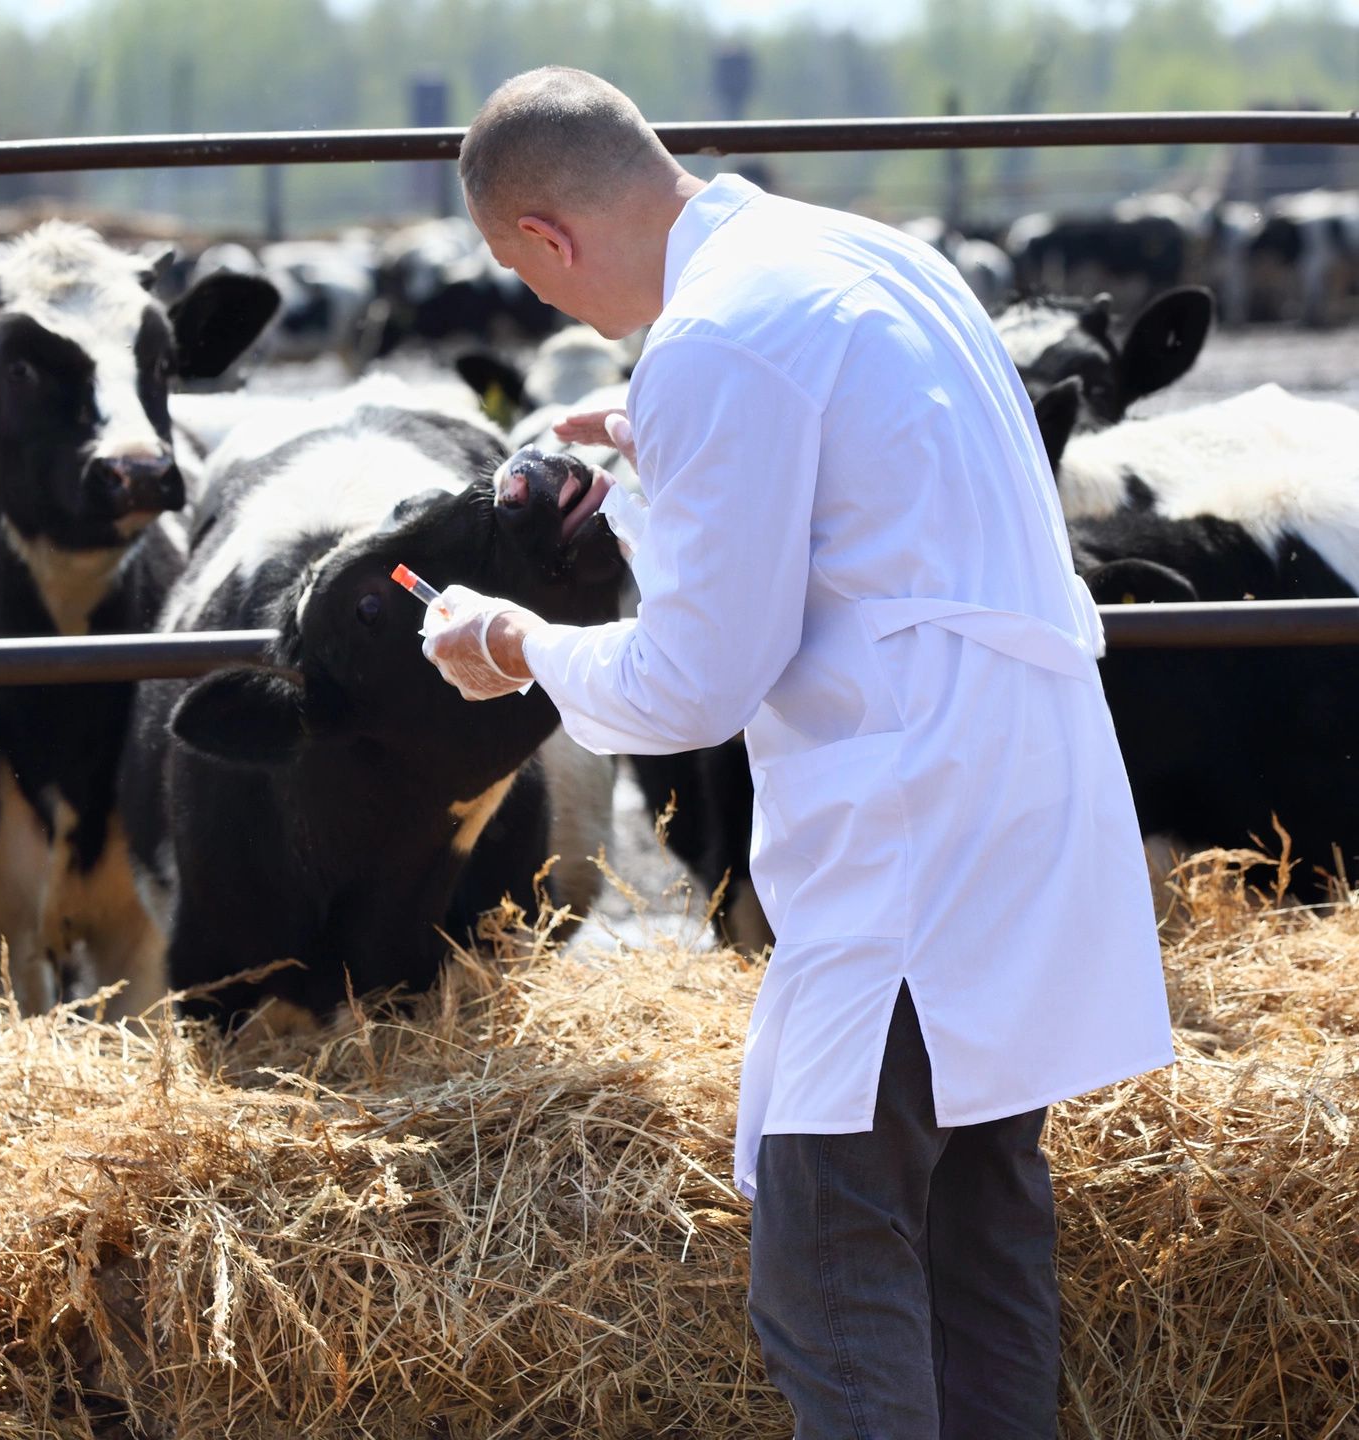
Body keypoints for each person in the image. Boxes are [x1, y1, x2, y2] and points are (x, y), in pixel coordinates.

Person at [425, 67, 1175, 1438]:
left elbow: (691, 686)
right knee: (975, 1228)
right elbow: (872, 475)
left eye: (522, 276)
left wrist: (516, 641)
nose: (541, 304)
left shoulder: (711, 337)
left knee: (827, 1263)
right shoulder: (869, 255)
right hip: (1023, 779)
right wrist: (660, 438)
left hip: (909, 817)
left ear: (543, 236)